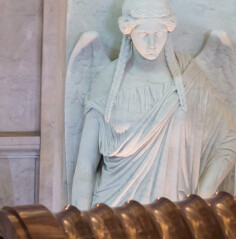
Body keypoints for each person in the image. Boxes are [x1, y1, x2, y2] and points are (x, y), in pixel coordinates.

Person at [70, 0, 236, 209]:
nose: (152, 43)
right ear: (129, 31)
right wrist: (84, 224)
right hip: (113, 215)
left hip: (175, 217)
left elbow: (227, 143)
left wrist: (201, 198)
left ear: (169, 29)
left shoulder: (189, 80)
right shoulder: (107, 83)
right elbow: (85, 165)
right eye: (143, 35)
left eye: (158, 34)